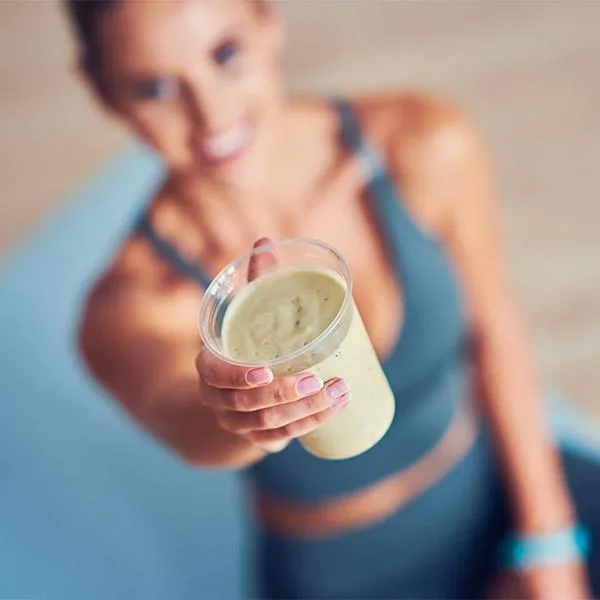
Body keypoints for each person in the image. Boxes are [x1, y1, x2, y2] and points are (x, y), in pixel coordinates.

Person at [66, 0, 599, 598]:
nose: (211, 114)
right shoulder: (127, 308)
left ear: (269, 21)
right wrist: (243, 418)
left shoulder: (420, 144)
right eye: (156, 88)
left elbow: (493, 327)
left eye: (226, 53)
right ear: (101, 88)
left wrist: (548, 542)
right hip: (346, 576)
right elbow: (192, 427)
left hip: (498, 486)